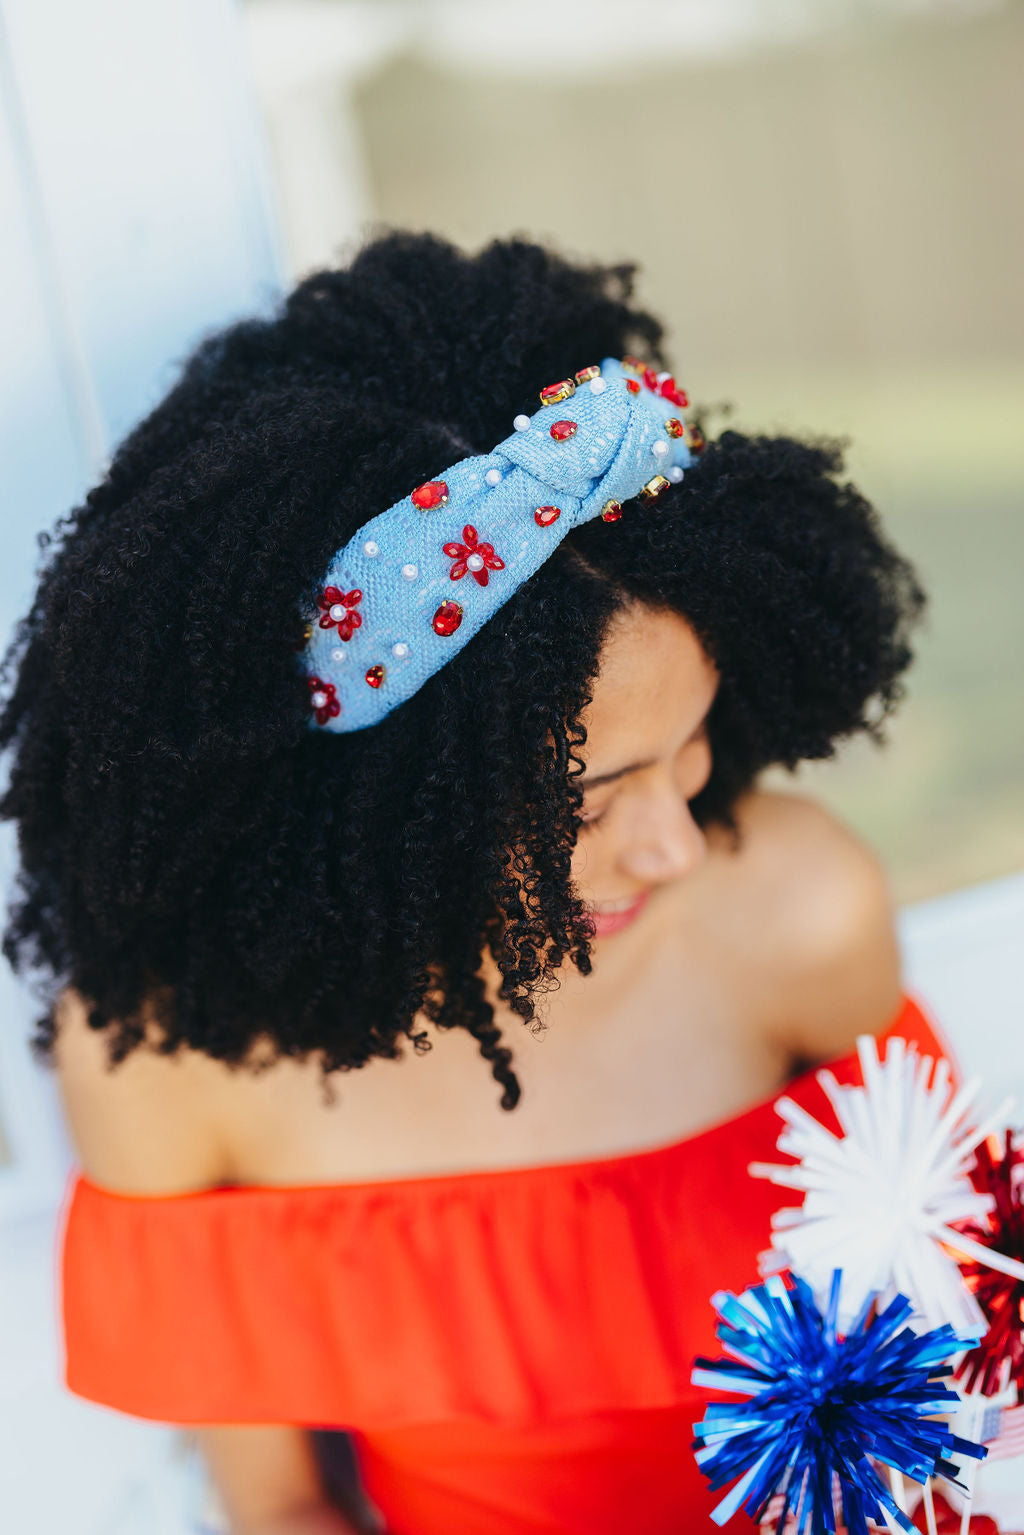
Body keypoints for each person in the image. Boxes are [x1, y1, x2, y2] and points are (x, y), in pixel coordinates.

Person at [0, 229, 947, 1534]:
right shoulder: (179, 1062)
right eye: (589, 800)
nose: (672, 845)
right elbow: (281, 1510)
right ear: (368, 812)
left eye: (692, 749)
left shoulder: (795, 915)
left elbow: (949, 1344)